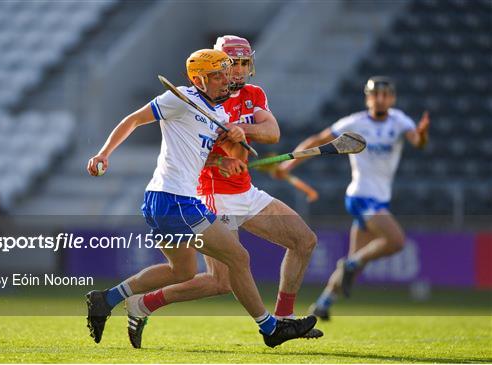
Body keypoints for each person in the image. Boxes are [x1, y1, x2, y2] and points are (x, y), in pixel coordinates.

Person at [85, 48, 317, 348]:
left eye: (226, 73)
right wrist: (104, 153)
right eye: (216, 75)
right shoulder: (179, 98)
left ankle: (106, 299)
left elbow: (196, 155)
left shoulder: (218, 115)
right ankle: (271, 328)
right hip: (175, 199)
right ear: (198, 79)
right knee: (238, 257)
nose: (225, 80)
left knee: (181, 272)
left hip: (166, 200)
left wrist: (223, 162)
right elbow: (133, 120)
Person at [277, 76, 430, 320]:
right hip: (362, 196)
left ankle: (323, 303)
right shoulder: (355, 122)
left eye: (385, 94)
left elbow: (417, 141)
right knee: (396, 241)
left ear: (392, 98)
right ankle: (350, 265)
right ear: (368, 97)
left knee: (356, 260)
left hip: (380, 199)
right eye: (375, 94)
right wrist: (289, 165)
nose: (380, 99)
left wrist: (421, 136)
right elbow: (318, 140)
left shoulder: (400, 121)